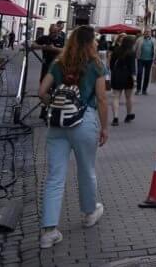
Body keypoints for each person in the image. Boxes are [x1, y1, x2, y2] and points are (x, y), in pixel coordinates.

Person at [38, 25, 107, 249]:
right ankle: (89, 213)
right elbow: (102, 98)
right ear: (91, 42)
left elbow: (41, 91)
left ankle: (49, 231)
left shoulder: (59, 63)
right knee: (86, 170)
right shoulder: (96, 65)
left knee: (55, 176)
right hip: (84, 120)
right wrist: (104, 127)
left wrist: (55, 106)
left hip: (57, 123)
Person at [108, 35, 136, 126]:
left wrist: (114, 72)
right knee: (129, 97)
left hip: (117, 74)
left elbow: (111, 64)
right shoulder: (131, 52)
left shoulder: (116, 50)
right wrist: (134, 79)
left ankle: (115, 117)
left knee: (116, 97)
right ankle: (128, 114)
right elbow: (132, 67)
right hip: (127, 75)